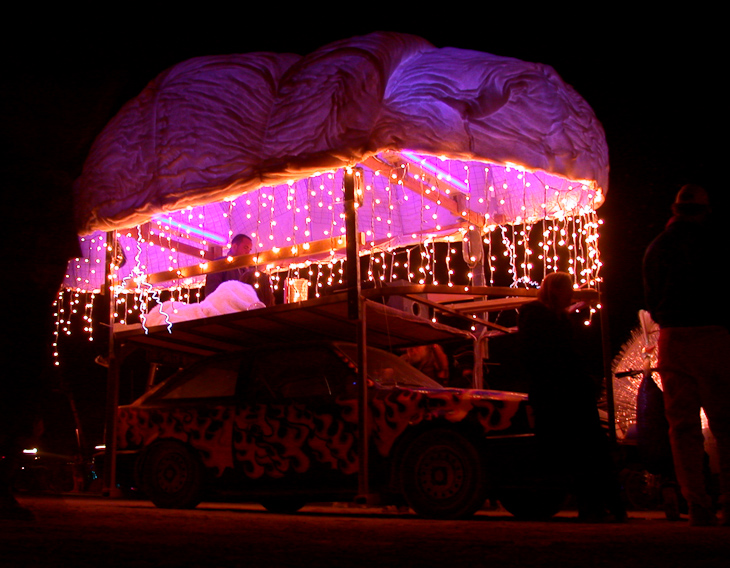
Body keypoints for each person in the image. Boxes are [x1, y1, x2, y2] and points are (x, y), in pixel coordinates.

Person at [643, 184, 730, 526]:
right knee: (725, 424)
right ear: (705, 212)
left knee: (682, 427)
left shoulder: (657, 247)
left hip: (674, 337)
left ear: (675, 210)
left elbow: (651, 300)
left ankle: (697, 504)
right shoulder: (716, 245)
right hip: (712, 334)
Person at [518, 271, 624, 522]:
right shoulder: (544, 317)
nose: (571, 297)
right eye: (567, 291)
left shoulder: (546, 317)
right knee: (587, 449)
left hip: (560, 393)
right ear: (556, 291)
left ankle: (596, 504)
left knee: (582, 450)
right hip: (562, 393)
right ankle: (599, 504)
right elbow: (553, 355)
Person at [204, 234, 274, 307]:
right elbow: (211, 292)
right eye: (245, 248)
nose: (248, 252)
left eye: (249, 249)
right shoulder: (220, 264)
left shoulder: (247, 269)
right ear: (234, 246)